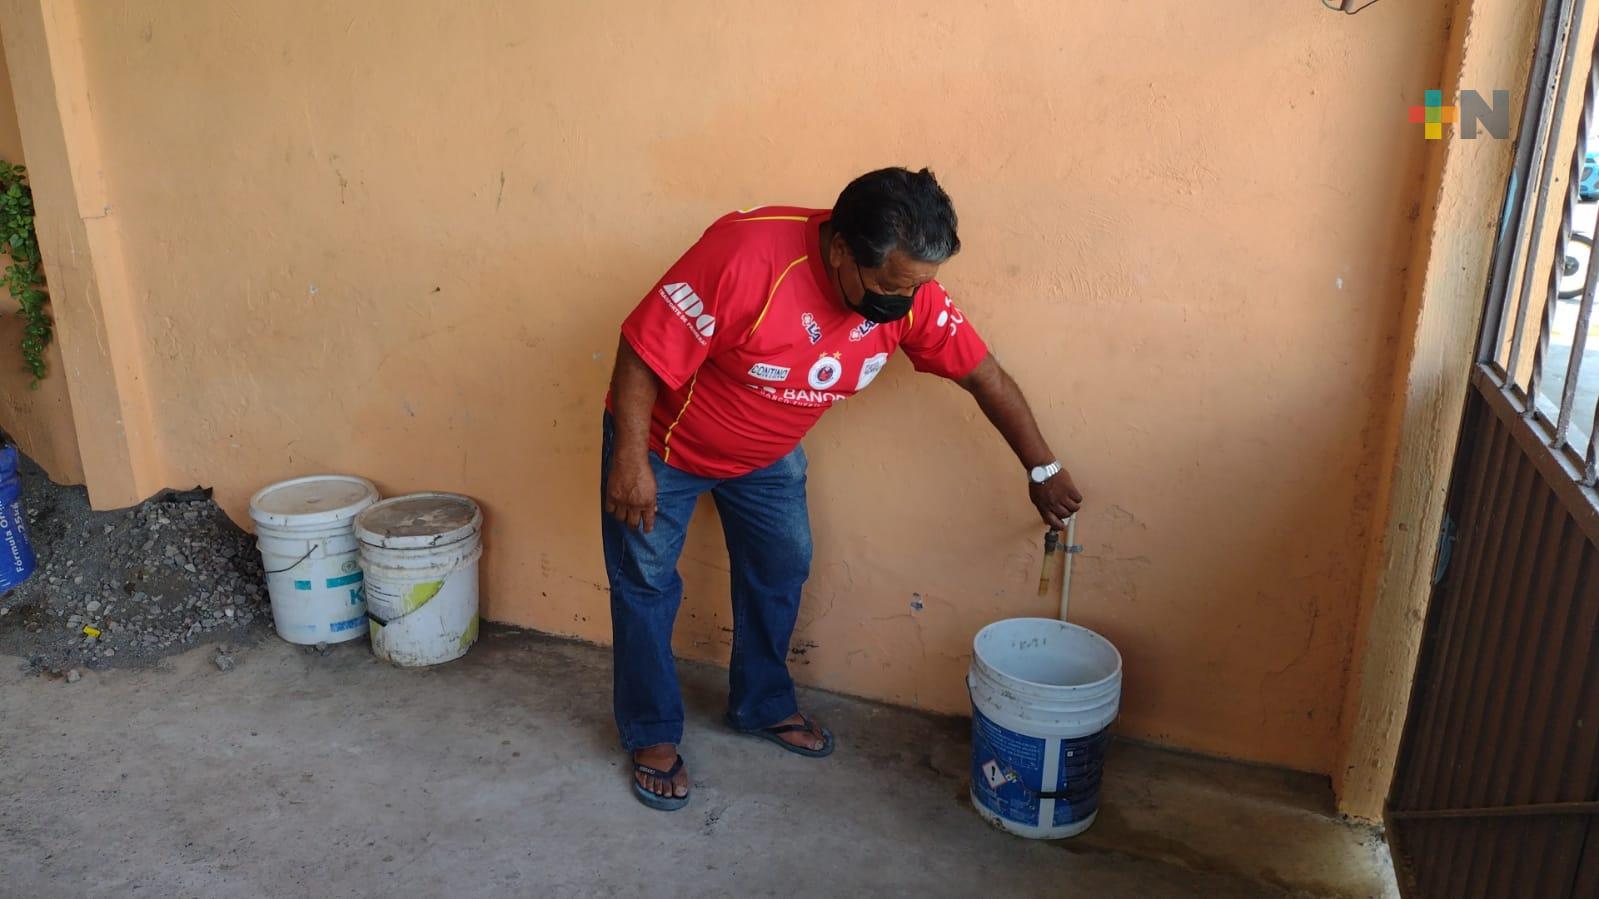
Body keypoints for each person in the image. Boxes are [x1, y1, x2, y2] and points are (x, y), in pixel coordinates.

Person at [602, 167, 1083, 810]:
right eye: (890, 286)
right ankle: (652, 732)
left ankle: (761, 704)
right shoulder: (746, 258)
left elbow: (984, 375)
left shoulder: (911, 289)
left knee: (781, 568)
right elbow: (642, 351)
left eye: (917, 287)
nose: (905, 301)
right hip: (666, 447)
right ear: (838, 251)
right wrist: (630, 461)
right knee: (647, 584)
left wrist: (1042, 468)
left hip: (767, 455)